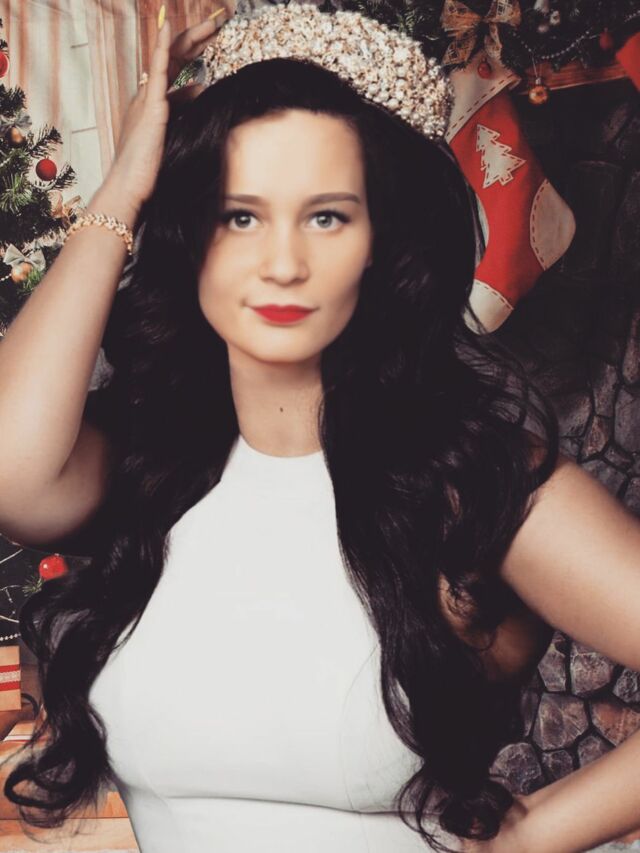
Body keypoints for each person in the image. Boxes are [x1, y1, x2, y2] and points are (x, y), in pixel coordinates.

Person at [1, 2, 640, 852]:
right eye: (240, 215)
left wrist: (529, 836)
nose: (282, 262)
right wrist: (124, 184)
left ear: (381, 243)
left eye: (327, 215)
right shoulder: (147, 471)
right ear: (192, 237)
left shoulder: (470, 482)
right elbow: (11, 468)